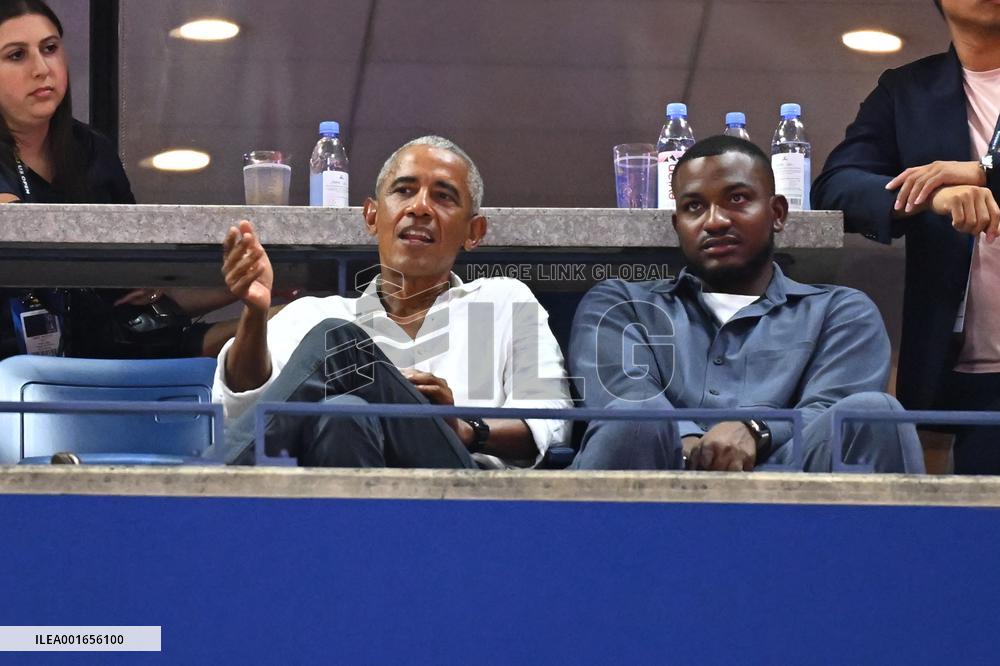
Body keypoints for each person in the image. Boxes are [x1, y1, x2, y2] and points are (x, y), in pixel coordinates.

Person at [568, 135, 924, 473]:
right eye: (694, 206)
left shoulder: (840, 311)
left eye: (737, 199)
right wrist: (688, 440)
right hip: (653, 481)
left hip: (790, 484)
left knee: (874, 412)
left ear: (778, 213)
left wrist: (756, 430)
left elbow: (829, 408)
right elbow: (626, 396)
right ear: (678, 225)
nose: (715, 221)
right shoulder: (622, 304)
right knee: (636, 419)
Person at [215, 136, 572, 467]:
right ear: (371, 216)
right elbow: (242, 405)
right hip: (341, 495)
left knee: (339, 343)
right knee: (344, 412)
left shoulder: (504, 301)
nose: (420, 207)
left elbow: (549, 422)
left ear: (473, 232)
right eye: (404, 191)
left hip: (464, 494)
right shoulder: (311, 314)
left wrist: (465, 428)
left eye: (443, 197)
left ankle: (206, 485)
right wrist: (255, 313)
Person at [812, 0, 1000, 474]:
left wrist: (983, 172)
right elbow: (837, 186)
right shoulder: (908, 90)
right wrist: (930, 197)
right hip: (966, 365)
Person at [0, 0, 236, 359]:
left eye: (50, 48)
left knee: (285, 323)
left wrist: (265, 282)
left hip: (115, 342)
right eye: (16, 55)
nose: (42, 69)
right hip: (18, 363)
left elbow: (135, 288)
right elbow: (21, 233)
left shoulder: (92, 149)